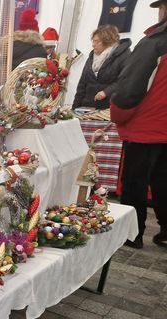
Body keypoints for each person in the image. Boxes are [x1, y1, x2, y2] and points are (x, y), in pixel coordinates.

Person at [111, 0, 167, 249]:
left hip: (146, 127)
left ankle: (132, 235)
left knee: (135, 183)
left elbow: (129, 89)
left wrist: (118, 113)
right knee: (163, 182)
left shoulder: (154, 43)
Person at [73, 25, 131, 110]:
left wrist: (106, 92)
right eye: (93, 41)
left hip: (108, 109)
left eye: (97, 41)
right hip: (87, 108)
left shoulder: (124, 56)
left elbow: (126, 80)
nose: (93, 45)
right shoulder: (92, 56)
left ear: (107, 41)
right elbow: (82, 84)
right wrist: (75, 108)